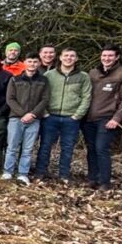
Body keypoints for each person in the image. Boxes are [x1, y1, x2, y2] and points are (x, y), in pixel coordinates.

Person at [83, 44, 122, 190]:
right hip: (89, 118)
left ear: (117, 57)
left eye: (110, 56)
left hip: (108, 118)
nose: (106, 58)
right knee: (91, 148)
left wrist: (117, 118)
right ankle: (92, 178)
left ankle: (104, 181)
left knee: (102, 149)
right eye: (104, 56)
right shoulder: (93, 73)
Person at [34, 48, 91, 182]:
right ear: (60, 58)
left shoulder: (83, 76)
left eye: (72, 56)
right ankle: (40, 172)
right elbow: (41, 95)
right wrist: (45, 113)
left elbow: (86, 97)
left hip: (71, 118)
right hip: (50, 117)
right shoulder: (49, 75)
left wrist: (77, 115)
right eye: (66, 56)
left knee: (67, 148)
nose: (68, 58)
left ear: (76, 59)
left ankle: (64, 174)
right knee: (45, 145)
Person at [2, 57, 48, 183]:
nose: (32, 64)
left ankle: (23, 173)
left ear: (38, 64)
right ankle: (8, 172)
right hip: (16, 118)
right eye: (29, 61)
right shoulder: (15, 79)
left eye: (35, 62)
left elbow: (44, 99)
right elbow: (10, 99)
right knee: (12, 147)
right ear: (25, 63)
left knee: (27, 149)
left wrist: (33, 114)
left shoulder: (43, 80)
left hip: (34, 119)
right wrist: (23, 114)